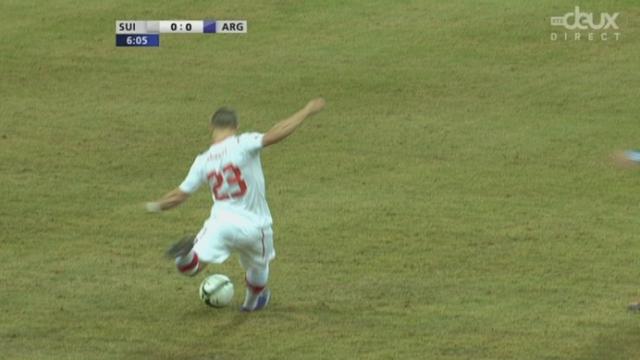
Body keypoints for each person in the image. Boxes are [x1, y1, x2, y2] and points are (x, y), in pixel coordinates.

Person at [145, 98, 326, 311]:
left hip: (221, 224)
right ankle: (251, 304)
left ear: (212, 126)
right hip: (256, 226)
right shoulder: (243, 142)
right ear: (236, 126)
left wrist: (155, 206)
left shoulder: (203, 160)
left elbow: (178, 196)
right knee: (259, 265)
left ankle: (185, 254)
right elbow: (276, 133)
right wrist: (305, 111)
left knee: (191, 267)